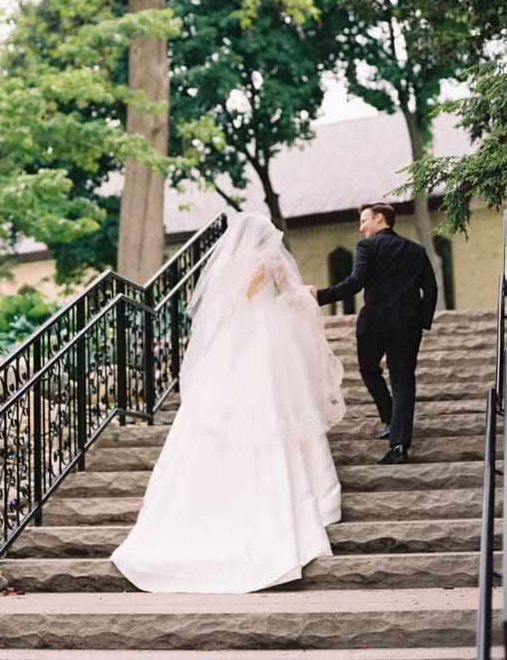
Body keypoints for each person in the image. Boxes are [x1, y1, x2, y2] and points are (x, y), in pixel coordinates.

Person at [111, 211, 345, 593]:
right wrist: (308, 294)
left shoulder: (224, 265)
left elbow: (222, 306)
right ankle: (308, 496)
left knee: (219, 418)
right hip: (266, 338)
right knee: (275, 408)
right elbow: (288, 295)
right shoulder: (268, 260)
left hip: (231, 344)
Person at [307, 202, 437, 465]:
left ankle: (391, 422)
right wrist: (420, 321)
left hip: (374, 324)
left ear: (380, 218)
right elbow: (431, 290)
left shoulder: (367, 247)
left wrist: (319, 296)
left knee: (369, 370)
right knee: (403, 382)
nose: (361, 227)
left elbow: (355, 283)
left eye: (364, 221)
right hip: (407, 327)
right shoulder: (416, 250)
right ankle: (398, 442)